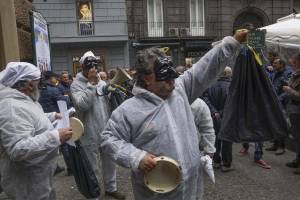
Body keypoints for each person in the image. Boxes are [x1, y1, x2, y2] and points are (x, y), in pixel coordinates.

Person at [100, 30, 248, 200]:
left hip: (192, 189)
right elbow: (108, 139)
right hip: (156, 193)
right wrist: (136, 157)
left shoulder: (180, 90)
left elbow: (205, 67)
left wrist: (231, 43)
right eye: (166, 78)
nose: (172, 82)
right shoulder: (128, 110)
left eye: (173, 77)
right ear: (147, 78)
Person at [0, 62, 72, 200]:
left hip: (39, 179)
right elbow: (18, 149)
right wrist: (56, 136)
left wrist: (52, 116)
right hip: (27, 186)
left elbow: (30, 119)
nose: (40, 85)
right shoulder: (11, 107)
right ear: (29, 84)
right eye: (38, 82)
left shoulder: (25, 99)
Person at [71, 51, 125, 200]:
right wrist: (91, 84)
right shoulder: (76, 85)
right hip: (88, 131)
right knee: (92, 166)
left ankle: (111, 188)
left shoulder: (101, 80)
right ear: (82, 67)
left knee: (110, 161)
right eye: (89, 67)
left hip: (105, 128)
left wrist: (109, 92)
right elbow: (82, 105)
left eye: (95, 66)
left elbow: (105, 103)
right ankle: (94, 194)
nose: (93, 70)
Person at [202, 67, 234, 172]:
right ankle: (226, 164)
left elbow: (205, 98)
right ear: (229, 74)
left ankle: (216, 161)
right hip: (228, 117)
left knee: (215, 138)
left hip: (214, 116)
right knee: (227, 140)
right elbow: (233, 103)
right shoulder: (233, 87)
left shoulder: (210, 85)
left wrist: (214, 111)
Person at [265, 58, 293, 155]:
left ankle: (282, 146)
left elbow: (288, 89)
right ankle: (275, 144)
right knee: (274, 123)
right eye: (273, 63)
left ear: (282, 64)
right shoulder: (275, 72)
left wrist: (279, 99)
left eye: (276, 63)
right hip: (273, 102)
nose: (273, 64)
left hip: (282, 104)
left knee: (282, 124)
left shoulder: (288, 73)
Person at [283, 53, 300, 175]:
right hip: (294, 111)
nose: (293, 64)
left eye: (295, 62)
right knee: (296, 138)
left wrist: (290, 91)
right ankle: (297, 160)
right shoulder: (296, 74)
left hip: (298, 111)